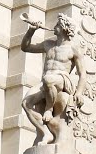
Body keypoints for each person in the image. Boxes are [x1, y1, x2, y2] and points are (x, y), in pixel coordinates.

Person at [19, 14, 86, 145]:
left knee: (48, 79)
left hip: (62, 79)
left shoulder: (73, 50)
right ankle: (46, 132)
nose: (54, 26)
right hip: (46, 82)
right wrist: (31, 30)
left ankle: (48, 109)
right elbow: (25, 47)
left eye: (57, 25)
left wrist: (79, 92)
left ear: (65, 28)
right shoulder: (48, 45)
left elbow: (82, 74)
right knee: (26, 103)